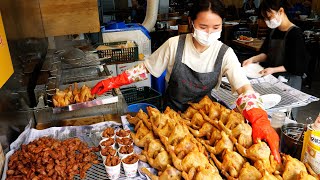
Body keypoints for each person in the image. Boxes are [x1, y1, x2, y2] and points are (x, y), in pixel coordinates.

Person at [92, 0, 281, 163]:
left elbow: (244, 89)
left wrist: (259, 119)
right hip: (170, 118)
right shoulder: (175, 45)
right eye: (203, 27)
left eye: (216, 28)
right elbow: (146, 69)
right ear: (191, 23)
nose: (209, 33)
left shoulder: (225, 54)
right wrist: (114, 81)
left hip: (203, 125)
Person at [242, 0, 308, 120]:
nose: (267, 21)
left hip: (290, 81)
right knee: (270, 113)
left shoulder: (295, 34)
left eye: (269, 17)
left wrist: (273, 69)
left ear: (281, 11)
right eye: (265, 18)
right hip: (272, 79)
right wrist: (252, 59)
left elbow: (297, 65)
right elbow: (266, 53)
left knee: (285, 115)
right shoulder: (273, 31)